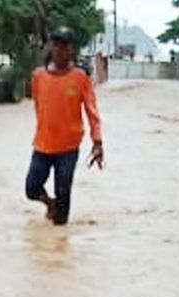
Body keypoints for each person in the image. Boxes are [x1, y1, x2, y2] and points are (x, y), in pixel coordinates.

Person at [25, 27, 104, 226]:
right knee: (31, 188)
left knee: (63, 198)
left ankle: (58, 245)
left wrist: (97, 142)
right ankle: (49, 204)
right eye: (56, 44)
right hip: (42, 145)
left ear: (72, 50)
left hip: (68, 147)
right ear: (51, 47)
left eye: (64, 45)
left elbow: (92, 111)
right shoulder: (38, 76)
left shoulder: (80, 78)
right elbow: (39, 106)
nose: (60, 49)